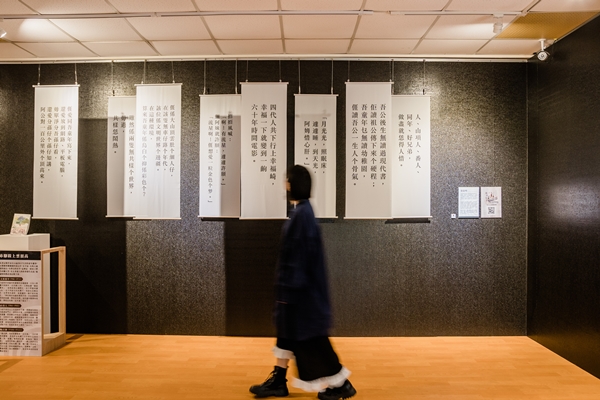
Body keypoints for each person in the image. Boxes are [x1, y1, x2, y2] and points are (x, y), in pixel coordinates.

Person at [250, 165, 357, 400]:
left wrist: (288, 293)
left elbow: (298, 259)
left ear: (293, 184)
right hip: (299, 292)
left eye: (287, 180)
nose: (285, 184)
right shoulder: (302, 211)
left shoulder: (302, 215)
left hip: (302, 295)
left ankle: (341, 384)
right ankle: (279, 380)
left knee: (313, 342)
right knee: (286, 334)